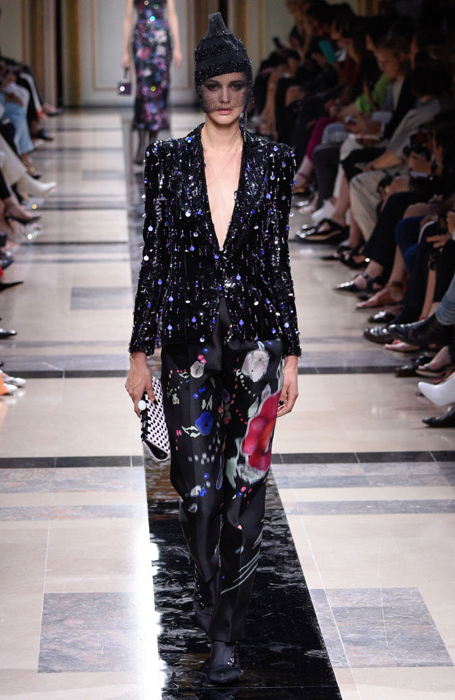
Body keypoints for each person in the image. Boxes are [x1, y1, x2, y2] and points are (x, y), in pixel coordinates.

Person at [125, 13, 300, 685]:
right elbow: (155, 261)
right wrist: (139, 354)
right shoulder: (167, 161)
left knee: (246, 490)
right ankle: (206, 590)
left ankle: (225, 629)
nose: (225, 98)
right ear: (199, 88)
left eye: (235, 85)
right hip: (188, 345)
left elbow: (277, 262)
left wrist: (291, 354)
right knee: (197, 493)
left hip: (258, 346)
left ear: (248, 89)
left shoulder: (276, 162)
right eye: (213, 86)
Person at [122, 0, 182, 165]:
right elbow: (128, 17)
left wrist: (177, 47)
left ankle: (152, 144)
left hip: (161, 41)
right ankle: (141, 143)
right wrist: (125, 51)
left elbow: (172, 14)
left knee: (160, 89)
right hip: (141, 39)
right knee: (143, 91)